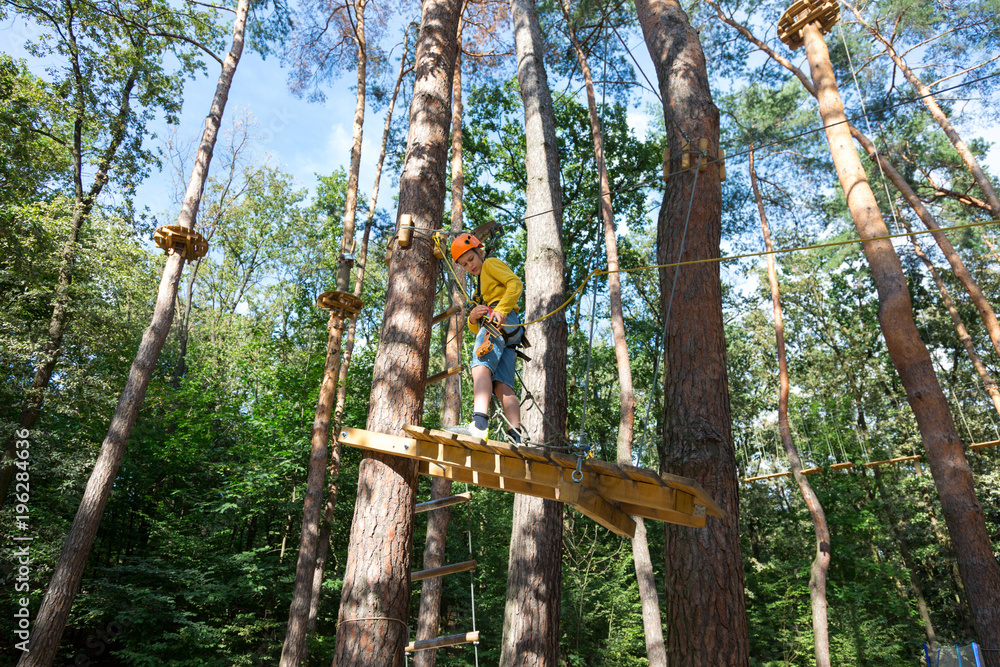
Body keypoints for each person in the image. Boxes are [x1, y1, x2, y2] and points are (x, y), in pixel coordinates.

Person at [446, 233, 524, 443]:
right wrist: (472, 318)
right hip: (509, 330)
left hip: (500, 320)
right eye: (464, 264)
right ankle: (515, 435)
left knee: (480, 366)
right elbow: (474, 330)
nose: (469, 266)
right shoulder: (478, 290)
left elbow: (515, 284)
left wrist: (501, 309)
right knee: (502, 385)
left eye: (471, 259)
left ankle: (479, 424)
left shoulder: (490, 264)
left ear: (480, 252)